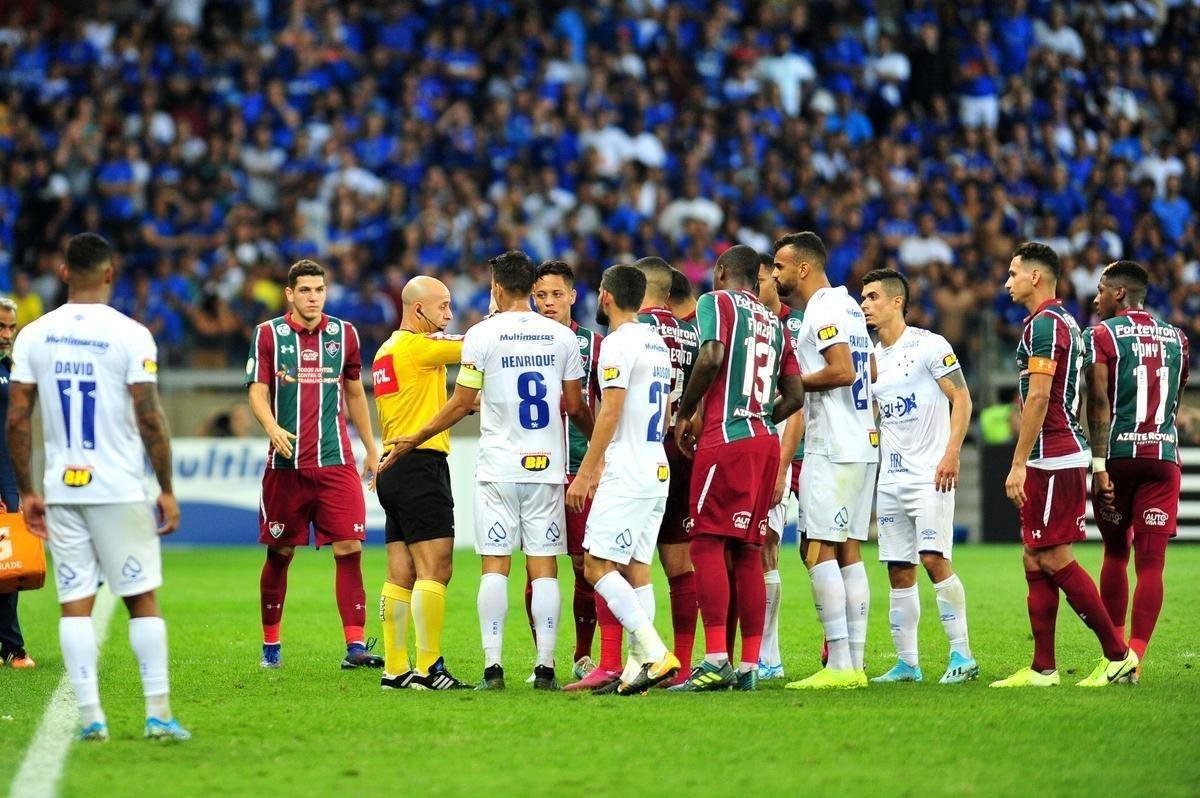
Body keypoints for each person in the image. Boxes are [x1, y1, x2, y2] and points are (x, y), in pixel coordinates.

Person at [379, 250, 593, 691]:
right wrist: (600, 450)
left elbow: (462, 402)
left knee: (493, 568)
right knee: (544, 568)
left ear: (496, 288)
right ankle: (546, 667)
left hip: (496, 467)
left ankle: (489, 669)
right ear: (532, 288)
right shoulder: (561, 336)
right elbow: (576, 405)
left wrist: (414, 436)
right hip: (546, 467)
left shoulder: (474, 336)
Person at [7, 232, 188, 740]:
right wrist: (167, 488)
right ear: (110, 274)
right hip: (120, 488)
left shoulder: (34, 335)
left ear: (63, 273)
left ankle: (90, 718)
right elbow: (150, 419)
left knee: (75, 604)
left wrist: (28, 490)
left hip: (62, 490)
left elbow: (18, 420)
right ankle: (157, 713)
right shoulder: (131, 334)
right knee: (142, 599)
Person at [992, 242, 1137, 688]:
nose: (1007, 282)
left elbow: (1038, 396)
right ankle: (1043, 668)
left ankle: (1117, 655)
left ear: (1035, 277)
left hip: (1052, 456)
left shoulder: (1046, 326)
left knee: (1052, 555)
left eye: (1014, 273)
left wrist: (1018, 463)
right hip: (1056, 454)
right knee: (1034, 558)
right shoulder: (1063, 324)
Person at [669, 244, 804, 692]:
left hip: (726, 439)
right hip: (765, 443)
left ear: (723, 272)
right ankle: (748, 664)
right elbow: (797, 395)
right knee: (747, 550)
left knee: (706, 543)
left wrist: (687, 413)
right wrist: (763, 416)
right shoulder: (776, 322)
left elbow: (710, 356)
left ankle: (712, 661)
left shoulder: (717, 302)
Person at [571, 255, 701, 691]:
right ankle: (637, 667)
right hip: (656, 463)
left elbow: (610, 411)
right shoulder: (656, 343)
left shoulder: (617, 343)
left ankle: (656, 653)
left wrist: (587, 472)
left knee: (595, 565)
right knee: (637, 569)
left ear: (606, 297)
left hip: (626, 467)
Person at [247, 259, 382, 671]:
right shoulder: (268, 334)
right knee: (281, 552)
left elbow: (356, 393)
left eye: (319, 290)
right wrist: (271, 426)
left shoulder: (345, 334)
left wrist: (371, 448)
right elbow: (257, 390)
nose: (313, 297)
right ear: (289, 293)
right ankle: (271, 644)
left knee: (350, 547)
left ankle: (355, 646)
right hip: (286, 467)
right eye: (305, 290)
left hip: (336, 463)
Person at [859, 268, 979, 684]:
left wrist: (952, 454)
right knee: (898, 568)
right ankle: (908, 663)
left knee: (933, 559)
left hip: (930, 475)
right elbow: (874, 418)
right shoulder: (872, 361)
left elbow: (961, 398)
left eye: (873, 297)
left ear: (896, 302)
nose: (865, 305)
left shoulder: (930, 345)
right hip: (890, 479)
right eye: (863, 298)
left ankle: (962, 656)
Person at [771, 231, 877, 691]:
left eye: (779, 267)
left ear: (803, 268)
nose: (774, 275)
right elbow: (869, 370)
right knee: (848, 552)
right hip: (860, 441)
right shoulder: (850, 306)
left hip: (832, 445)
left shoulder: (823, 309)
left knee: (816, 549)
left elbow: (844, 371)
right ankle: (853, 661)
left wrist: (791, 385)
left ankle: (838, 663)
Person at [1086, 260, 1189, 681]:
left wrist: (1097, 465)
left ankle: (1115, 655)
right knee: (1152, 565)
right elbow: (1175, 400)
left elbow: (1098, 403)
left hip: (1118, 457)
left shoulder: (1103, 335)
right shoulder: (1178, 339)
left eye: (1100, 290)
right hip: (1163, 458)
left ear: (1119, 293)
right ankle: (1135, 658)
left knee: (1114, 551)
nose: (1095, 298)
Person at [371, 275, 470, 690]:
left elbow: (432, 399)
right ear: (417, 310)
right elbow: (474, 345)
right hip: (419, 463)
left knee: (401, 573)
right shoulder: (417, 347)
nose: (449, 314)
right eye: (443, 305)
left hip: (392, 466)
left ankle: (395, 669)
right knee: (436, 568)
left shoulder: (387, 351)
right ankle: (430, 668)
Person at [530, 260, 602, 682]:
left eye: (557, 294)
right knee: (537, 565)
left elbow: (602, 405)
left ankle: (581, 654)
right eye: (541, 295)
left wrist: (595, 462)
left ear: (573, 297)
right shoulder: (521, 342)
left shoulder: (595, 346)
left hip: (578, 469)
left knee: (582, 564)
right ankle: (543, 658)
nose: (549, 302)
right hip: (535, 468)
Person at [753, 254, 806, 681]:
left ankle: (771, 654)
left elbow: (795, 402)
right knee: (754, 551)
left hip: (797, 452)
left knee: (795, 551)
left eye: (762, 280)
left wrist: (783, 466)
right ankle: (762, 653)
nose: (758, 288)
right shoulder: (744, 322)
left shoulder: (796, 325)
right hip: (756, 449)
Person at [0, 296, 34, 669]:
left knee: (9, 567)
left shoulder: (12, 368)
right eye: (1, 327)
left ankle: (10, 647)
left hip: (9, 477)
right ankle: (12, 648)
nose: (7, 334)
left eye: (11, 327)